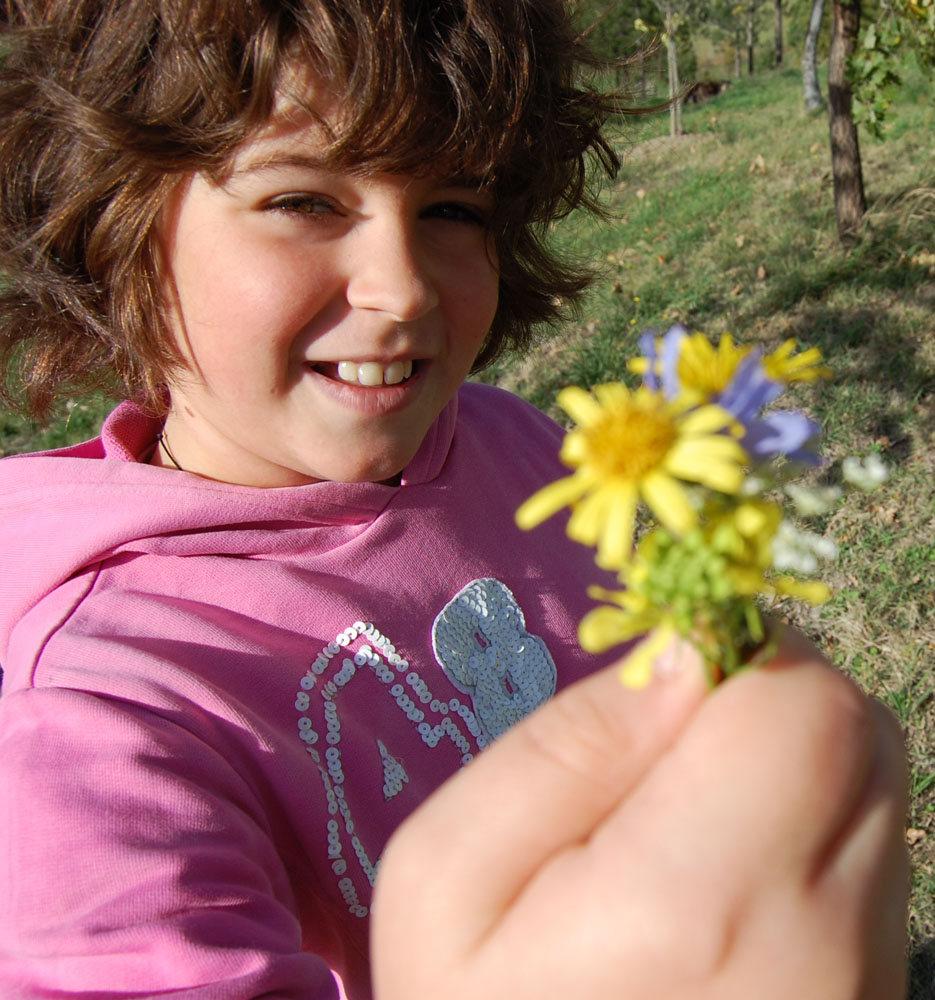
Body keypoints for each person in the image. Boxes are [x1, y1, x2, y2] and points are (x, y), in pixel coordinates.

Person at [0, 2, 908, 998]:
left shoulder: (514, 444)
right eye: (302, 200)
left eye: (452, 210)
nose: (401, 289)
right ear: (117, 220)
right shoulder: (98, 722)